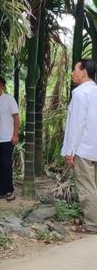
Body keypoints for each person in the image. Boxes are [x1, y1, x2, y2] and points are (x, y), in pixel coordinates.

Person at [61, 59, 97, 234]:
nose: (72, 73)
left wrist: (71, 150)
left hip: (82, 147)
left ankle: (92, 224)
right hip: (94, 145)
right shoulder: (95, 90)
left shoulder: (79, 93)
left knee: (86, 187)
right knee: (94, 185)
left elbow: (77, 124)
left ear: (83, 71)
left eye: (75, 69)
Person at [0, 76, 19, 202]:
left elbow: (16, 118)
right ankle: (0, 190)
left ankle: (9, 190)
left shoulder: (8, 100)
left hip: (7, 138)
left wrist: (15, 135)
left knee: (6, 165)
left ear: (1, 86)